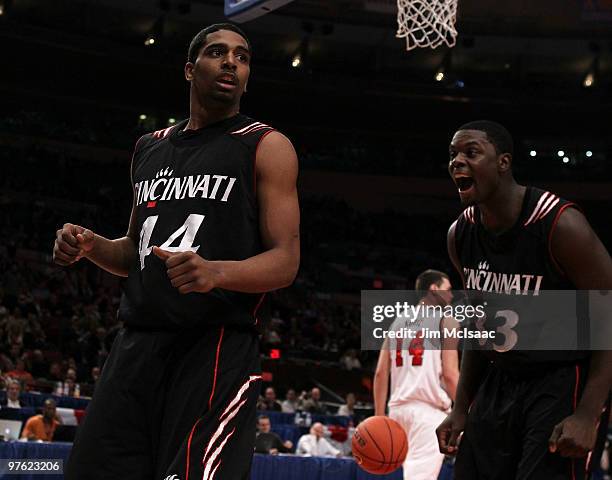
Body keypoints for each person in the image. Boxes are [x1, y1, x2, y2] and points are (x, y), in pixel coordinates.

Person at [53, 23, 300, 480]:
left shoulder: (265, 145)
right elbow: (134, 254)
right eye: (217, 52)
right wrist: (92, 247)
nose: (231, 62)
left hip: (213, 349)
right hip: (136, 347)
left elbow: (286, 261)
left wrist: (216, 274)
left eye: (242, 57)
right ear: (190, 69)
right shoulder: (150, 148)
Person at [436, 120, 612, 479]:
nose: (457, 162)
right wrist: (461, 406)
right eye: (453, 155)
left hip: (561, 380)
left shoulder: (560, 225)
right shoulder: (461, 234)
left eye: (471, 152)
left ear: (503, 162)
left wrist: (588, 413)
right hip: (499, 379)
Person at [374, 269, 459, 480]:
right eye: (447, 290)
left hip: (397, 413)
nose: (451, 296)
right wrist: (467, 410)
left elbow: (380, 373)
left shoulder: (396, 322)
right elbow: (450, 374)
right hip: (428, 413)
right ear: (434, 289)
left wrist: (379, 418)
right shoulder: (446, 321)